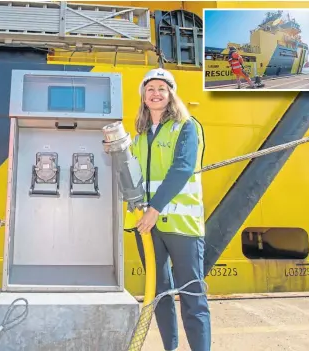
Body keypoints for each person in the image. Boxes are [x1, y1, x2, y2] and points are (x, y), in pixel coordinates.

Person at [127, 68, 211, 351]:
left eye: (162, 88)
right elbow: (131, 176)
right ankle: (170, 348)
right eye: (150, 88)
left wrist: (154, 209)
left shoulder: (186, 125)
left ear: (171, 94)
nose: (156, 93)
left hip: (181, 225)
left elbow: (182, 169)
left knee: (192, 294)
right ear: (143, 95)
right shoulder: (138, 134)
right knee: (159, 293)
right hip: (147, 227)